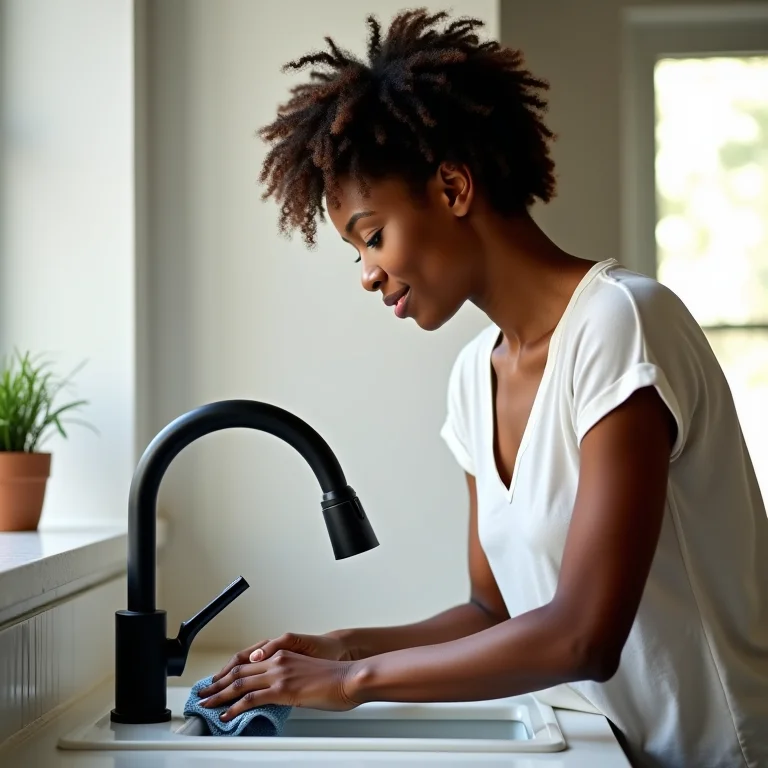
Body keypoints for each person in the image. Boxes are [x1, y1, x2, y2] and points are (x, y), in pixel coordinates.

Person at [195, 10, 768, 767]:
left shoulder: (622, 323)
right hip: (608, 751)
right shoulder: (474, 377)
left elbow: (583, 635)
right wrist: (334, 647)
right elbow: (490, 611)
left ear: (454, 186)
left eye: (371, 235)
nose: (367, 273)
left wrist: (352, 680)